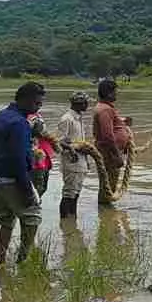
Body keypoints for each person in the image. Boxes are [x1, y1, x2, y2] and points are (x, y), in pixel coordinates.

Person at [0, 82, 45, 265]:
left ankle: (1, 261)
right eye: (36, 103)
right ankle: (23, 261)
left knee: (6, 219)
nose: (38, 107)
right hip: (9, 178)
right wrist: (27, 190)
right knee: (32, 217)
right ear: (25, 100)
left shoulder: (0, 116)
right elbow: (18, 161)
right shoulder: (20, 124)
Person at [92, 79, 133, 198]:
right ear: (109, 93)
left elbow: (110, 127)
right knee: (109, 184)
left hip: (109, 151)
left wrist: (123, 122)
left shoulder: (105, 108)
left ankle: (105, 210)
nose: (117, 94)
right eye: (115, 92)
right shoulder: (105, 109)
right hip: (109, 152)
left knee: (109, 183)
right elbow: (107, 136)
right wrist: (117, 155)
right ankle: (105, 209)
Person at [57, 91, 90, 219]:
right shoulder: (67, 119)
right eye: (86, 102)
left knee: (76, 193)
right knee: (69, 193)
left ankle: (72, 219)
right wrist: (71, 149)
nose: (87, 105)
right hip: (71, 162)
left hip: (81, 162)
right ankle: (65, 222)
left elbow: (80, 141)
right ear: (79, 103)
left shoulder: (79, 118)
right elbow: (59, 140)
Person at [27, 111, 54, 197]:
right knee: (36, 191)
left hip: (44, 160)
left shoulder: (37, 115)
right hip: (36, 163)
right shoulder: (27, 117)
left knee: (41, 189)